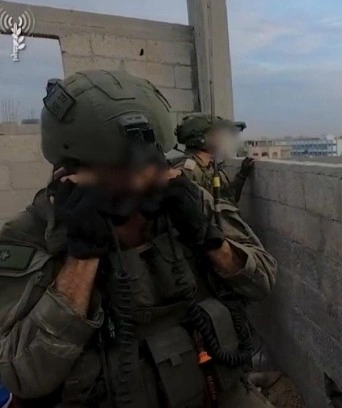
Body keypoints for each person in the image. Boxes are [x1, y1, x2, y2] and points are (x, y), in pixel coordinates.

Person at [0, 70, 277, 408]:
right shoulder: (28, 237)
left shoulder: (182, 201)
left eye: (151, 162)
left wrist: (209, 239)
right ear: (70, 173)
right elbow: (25, 375)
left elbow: (261, 283)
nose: (142, 180)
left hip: (214, 390)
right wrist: (82, 257)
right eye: (121, 170)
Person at [172, 113, 253, 204]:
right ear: (202, 139)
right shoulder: (187, 171)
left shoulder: (210, 166)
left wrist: (241, 176)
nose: (223, 140)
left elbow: (227, 199)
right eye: (217, 135)